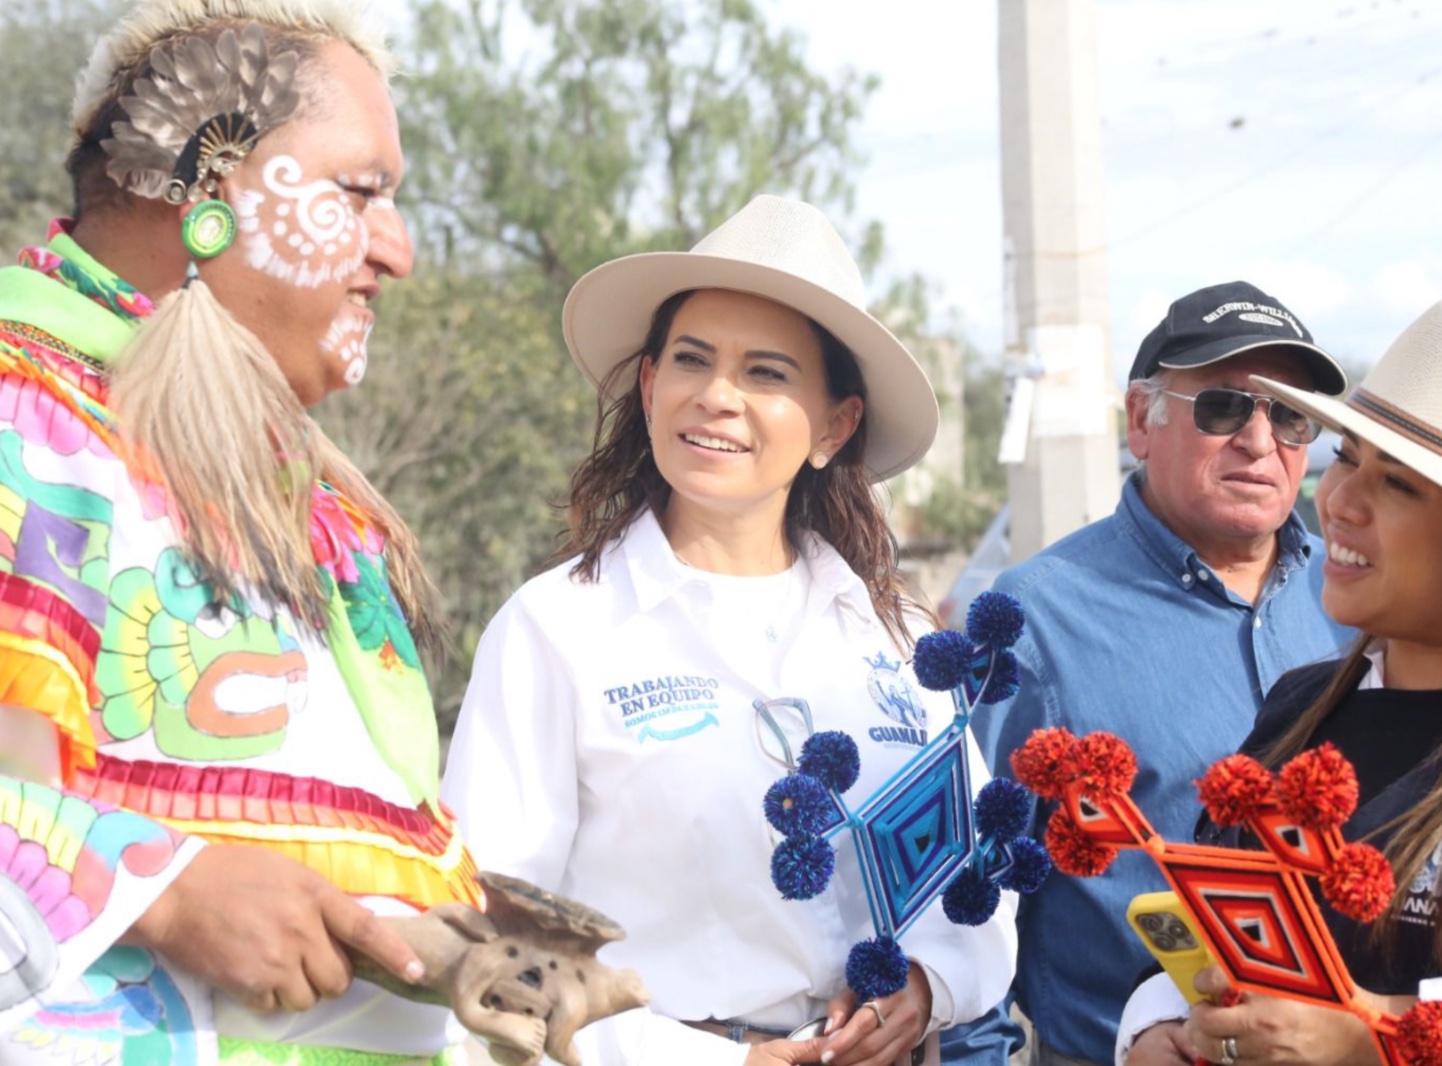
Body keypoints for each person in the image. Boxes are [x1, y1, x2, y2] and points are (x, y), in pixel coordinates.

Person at [0, 2, 481, 1062]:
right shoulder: (17, 422)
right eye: (361, 193)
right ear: (214, 190)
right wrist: (162, 891)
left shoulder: (307, 509)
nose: (396, 250)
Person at [441, 194, 1016, 1066]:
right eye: (691, 360)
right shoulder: (556, 628)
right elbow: (491, 942)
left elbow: (982, 882)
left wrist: (926, 987)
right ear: (648, 384)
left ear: (835, 426)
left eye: (767, 374)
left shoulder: (894, 637)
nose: (716, 397)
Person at [1120, 297, 1442, 1066]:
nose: (1338, 501)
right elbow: (1215, 922)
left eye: (1400, 485)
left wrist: (1380, 1036)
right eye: (1346, 457)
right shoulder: (1300, 707)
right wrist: (1157, 1029)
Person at [949, 282, 1353, 1066]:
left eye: (1292, 414)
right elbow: (966, 890)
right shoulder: (1032, 616)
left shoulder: (1349, 598)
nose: (1260, 441)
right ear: (1142, 420)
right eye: (1226, 407)